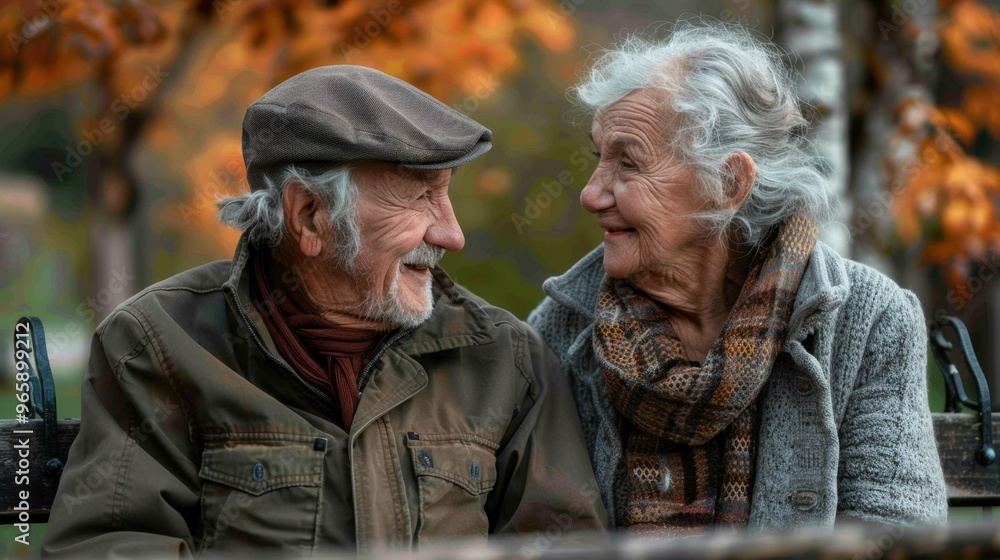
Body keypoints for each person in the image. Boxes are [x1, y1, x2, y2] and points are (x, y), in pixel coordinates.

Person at [43, 65, 606, 557]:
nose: (452, 233)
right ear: (309, 216)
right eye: (418, 197)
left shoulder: (504, 359)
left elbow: (560, 544)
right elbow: (113, 544)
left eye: (447, 193)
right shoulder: (158, 345)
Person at [527, 21, 948, 536]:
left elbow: (896, 536)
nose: (591, 194)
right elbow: (544, 534)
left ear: (727, 183)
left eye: (628, 164)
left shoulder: (870, 317)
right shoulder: (563, 326)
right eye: (599, 158)